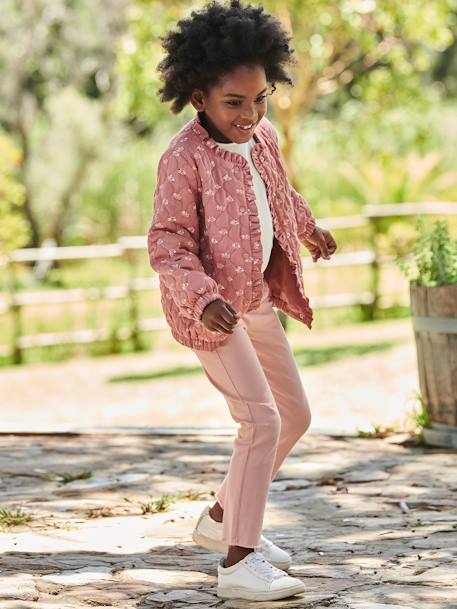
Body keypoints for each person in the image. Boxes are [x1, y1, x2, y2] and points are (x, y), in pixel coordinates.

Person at [148, 0, 337, 601]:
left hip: (253, 298)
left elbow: (277, 195)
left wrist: (308, 228)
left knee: (295, 416)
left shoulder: (262, 140)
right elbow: (168, 242)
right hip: (211, 311)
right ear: (198, 96)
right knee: (260, 421)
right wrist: (201, 298)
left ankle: (226, 518)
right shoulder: (184, 159)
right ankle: (239, 562)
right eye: (235, 103)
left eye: (261, 100)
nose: (251, 115)